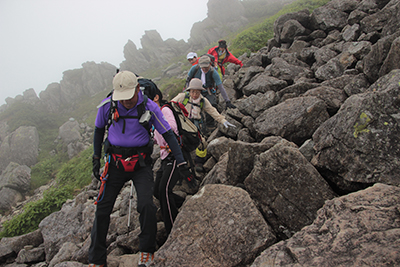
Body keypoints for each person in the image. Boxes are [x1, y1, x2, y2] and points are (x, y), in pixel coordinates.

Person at [90, 71, 194, 267]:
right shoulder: (108, 105)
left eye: (130, 97)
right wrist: (96, 158)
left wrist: (181, 162)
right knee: (102, 209)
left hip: (141, 164)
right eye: (123, 98)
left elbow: (168, 134)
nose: (126, 102)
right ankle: (96, 259)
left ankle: (147, 251)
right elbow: (98, 131)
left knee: (146, 205)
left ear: (138, 89)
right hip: (115, 164)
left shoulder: (149, 106)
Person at [141, 86, 196, 238]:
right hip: (165, 156)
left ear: (156, 98)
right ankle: (183, 203)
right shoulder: (152, 115)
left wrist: (159, 123)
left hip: (175, 155)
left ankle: (173, 230)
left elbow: (171, 128)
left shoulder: (164, 110)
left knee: (165, 191)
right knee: (157, 191)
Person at [172, 78, 235, 171]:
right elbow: (170, 106)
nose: (194, 95)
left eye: (197, 92)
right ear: (189, 90)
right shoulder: (182, 97)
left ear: (200, 92)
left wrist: (222, 120)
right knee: (180, 142)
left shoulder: (203, 101)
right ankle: (180, 163)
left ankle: (199, 162)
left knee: (202, 143)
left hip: (195, 125)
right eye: (192, 92)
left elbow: (212, 111)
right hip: (183, 123)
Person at [185, 55, 236, 132]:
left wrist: (227, 101)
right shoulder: (194, 68)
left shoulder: (213, 72)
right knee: (195, 106)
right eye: (203, 67)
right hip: (196, 91)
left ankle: (210, 126)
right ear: (199, 65)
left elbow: (220, 86)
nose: (205, 68)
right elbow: (188, 80)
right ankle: (197, 126)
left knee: (211, 105)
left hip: (208, 91)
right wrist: (189, 91)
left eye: (206, 66)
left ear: (210, 64)